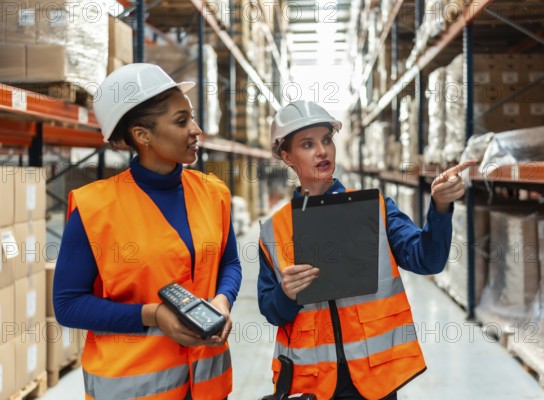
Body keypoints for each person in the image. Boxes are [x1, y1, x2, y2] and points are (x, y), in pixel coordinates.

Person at [257, 100, 476, 399]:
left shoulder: (375, 208)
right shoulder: (275, 229)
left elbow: (428, 260)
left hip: (375, 380)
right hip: (315, 385)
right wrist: (287, 294)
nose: (322, 151)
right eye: (307, 144)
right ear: (287, 156)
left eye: (326, 140)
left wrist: (440, 207)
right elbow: (271, 310)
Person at [53, 63, 241, 400]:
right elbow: (68, 305)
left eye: (193, 117)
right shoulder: (94, 208)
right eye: (182, 121)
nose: (196, 130)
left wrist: (222, 302)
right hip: (131, 389)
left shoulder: (214, 193)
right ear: (143, 135)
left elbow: (230, 264)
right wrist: (151, 315)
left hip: (208, 387)